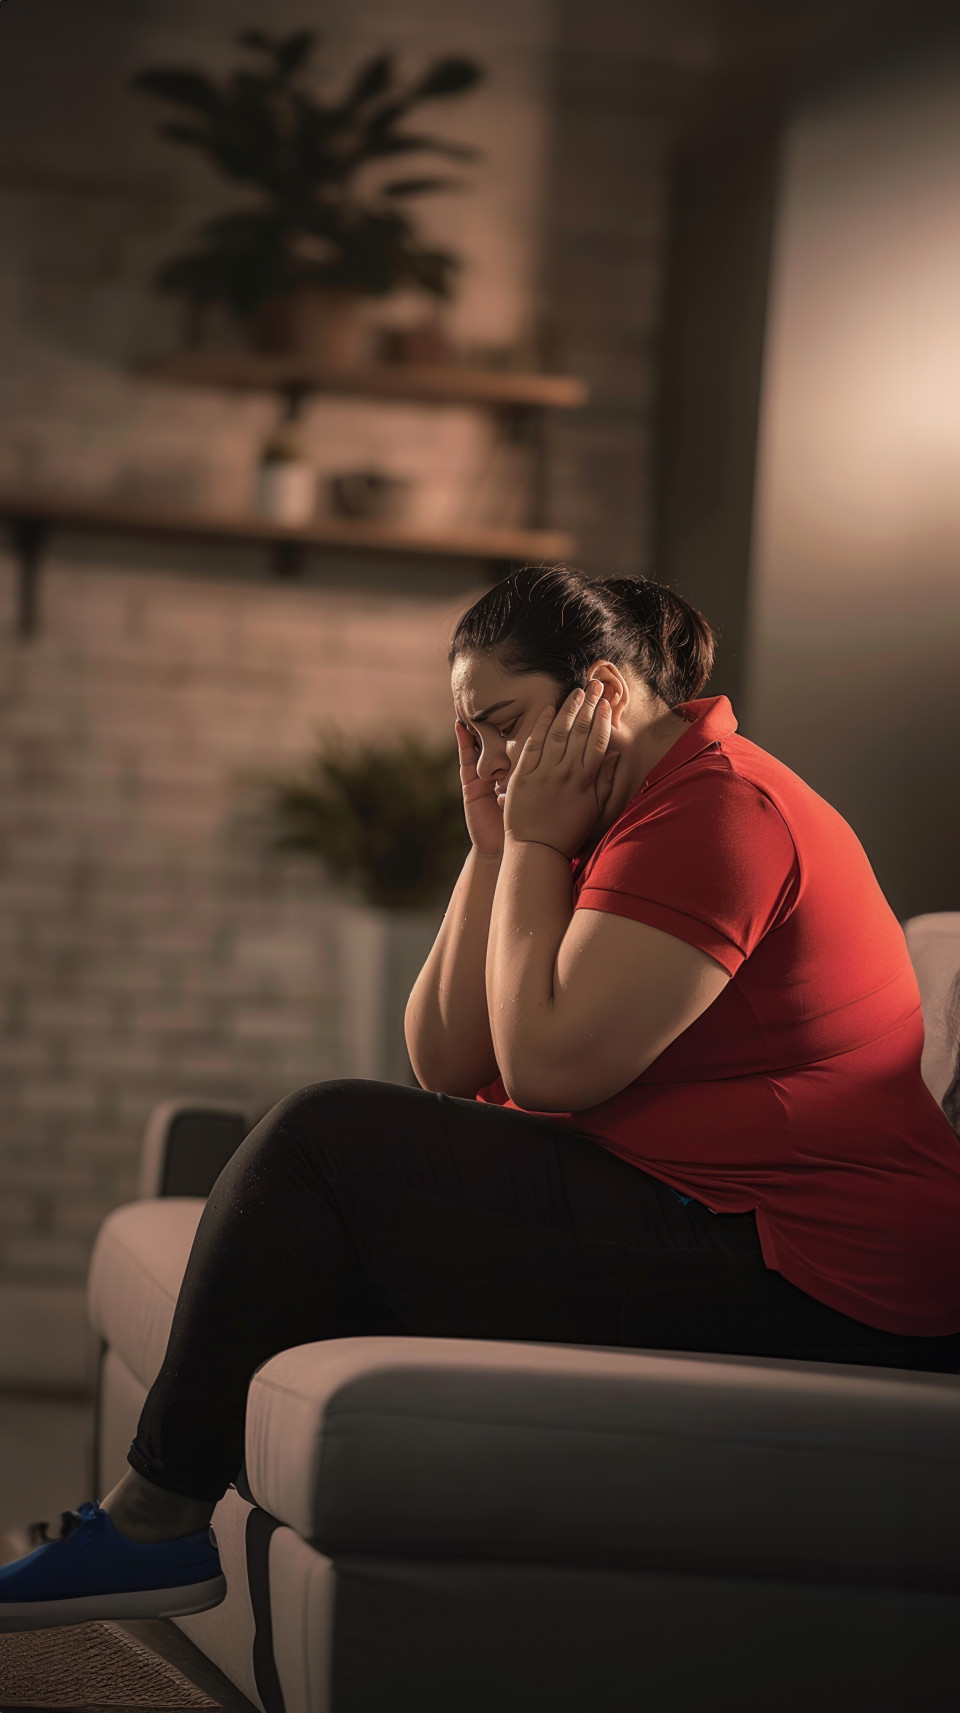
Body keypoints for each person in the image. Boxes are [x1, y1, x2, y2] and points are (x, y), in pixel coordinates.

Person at [3, 563, 960, 1631]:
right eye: (474, 733)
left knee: (323, 1141)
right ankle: (153, 1518)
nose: (492, 759)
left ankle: (151, 1524)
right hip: (696, 1210)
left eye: (504, 724)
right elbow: (445, 1059)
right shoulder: (616, 809)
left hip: (818, 1276)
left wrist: (540, 842)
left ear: (599, 693)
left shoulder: (721, 810)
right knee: (326, 1182)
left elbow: (549, 1072)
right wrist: (497, 843)